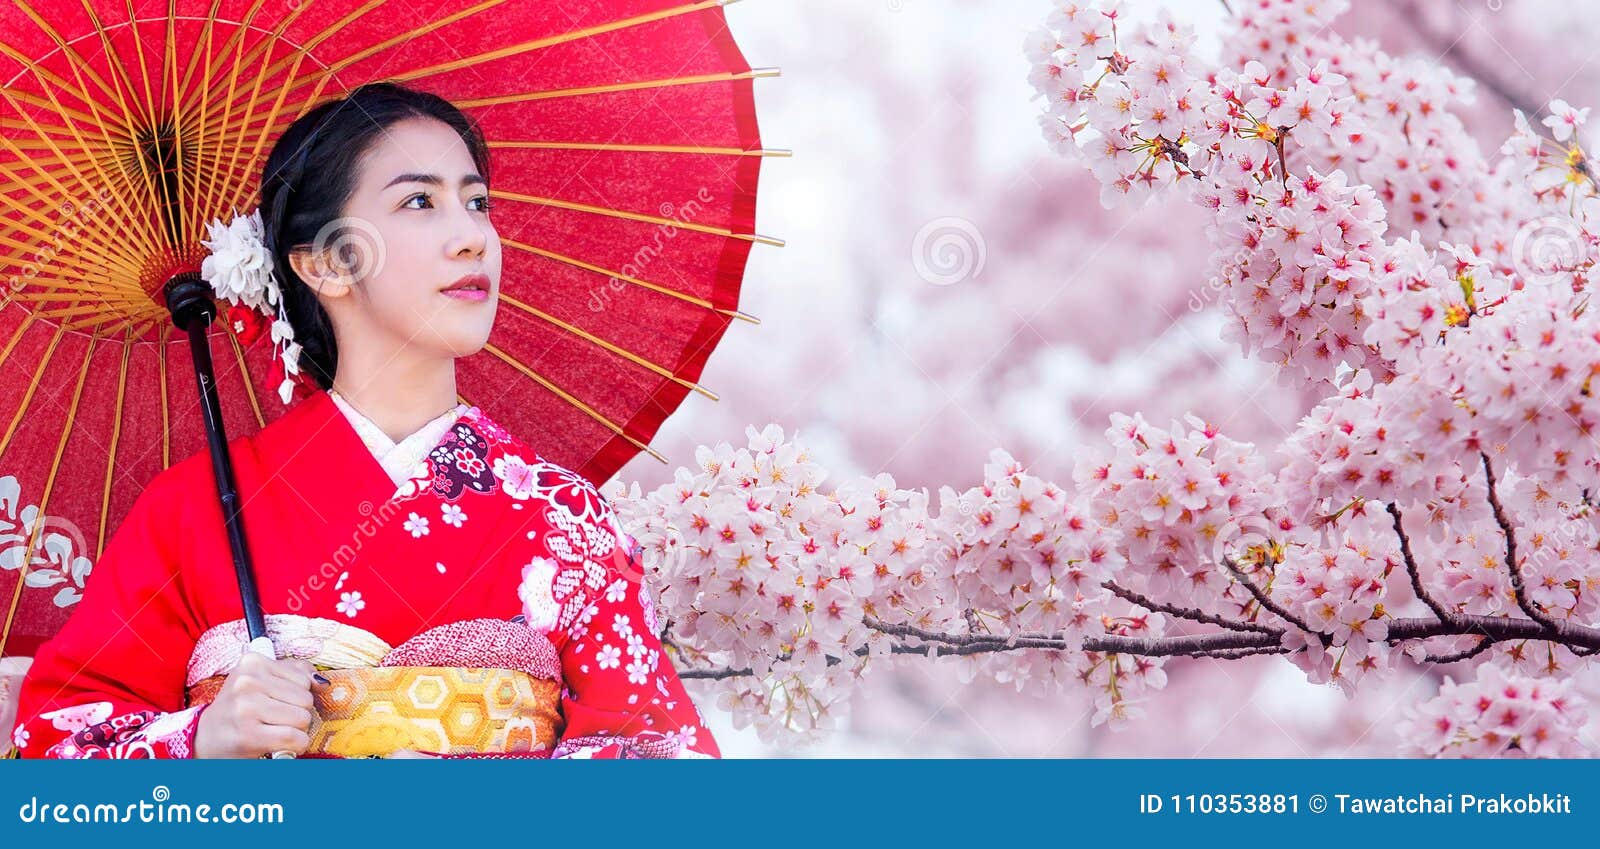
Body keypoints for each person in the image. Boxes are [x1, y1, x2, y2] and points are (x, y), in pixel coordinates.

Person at [8, 82, 717, 759]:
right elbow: (52, 755)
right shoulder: (190, 512)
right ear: (326, 264)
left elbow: (660, 762)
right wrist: (204, 740)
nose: (472, 236)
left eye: (477, 203)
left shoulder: (566, 519)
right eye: (420, 201)